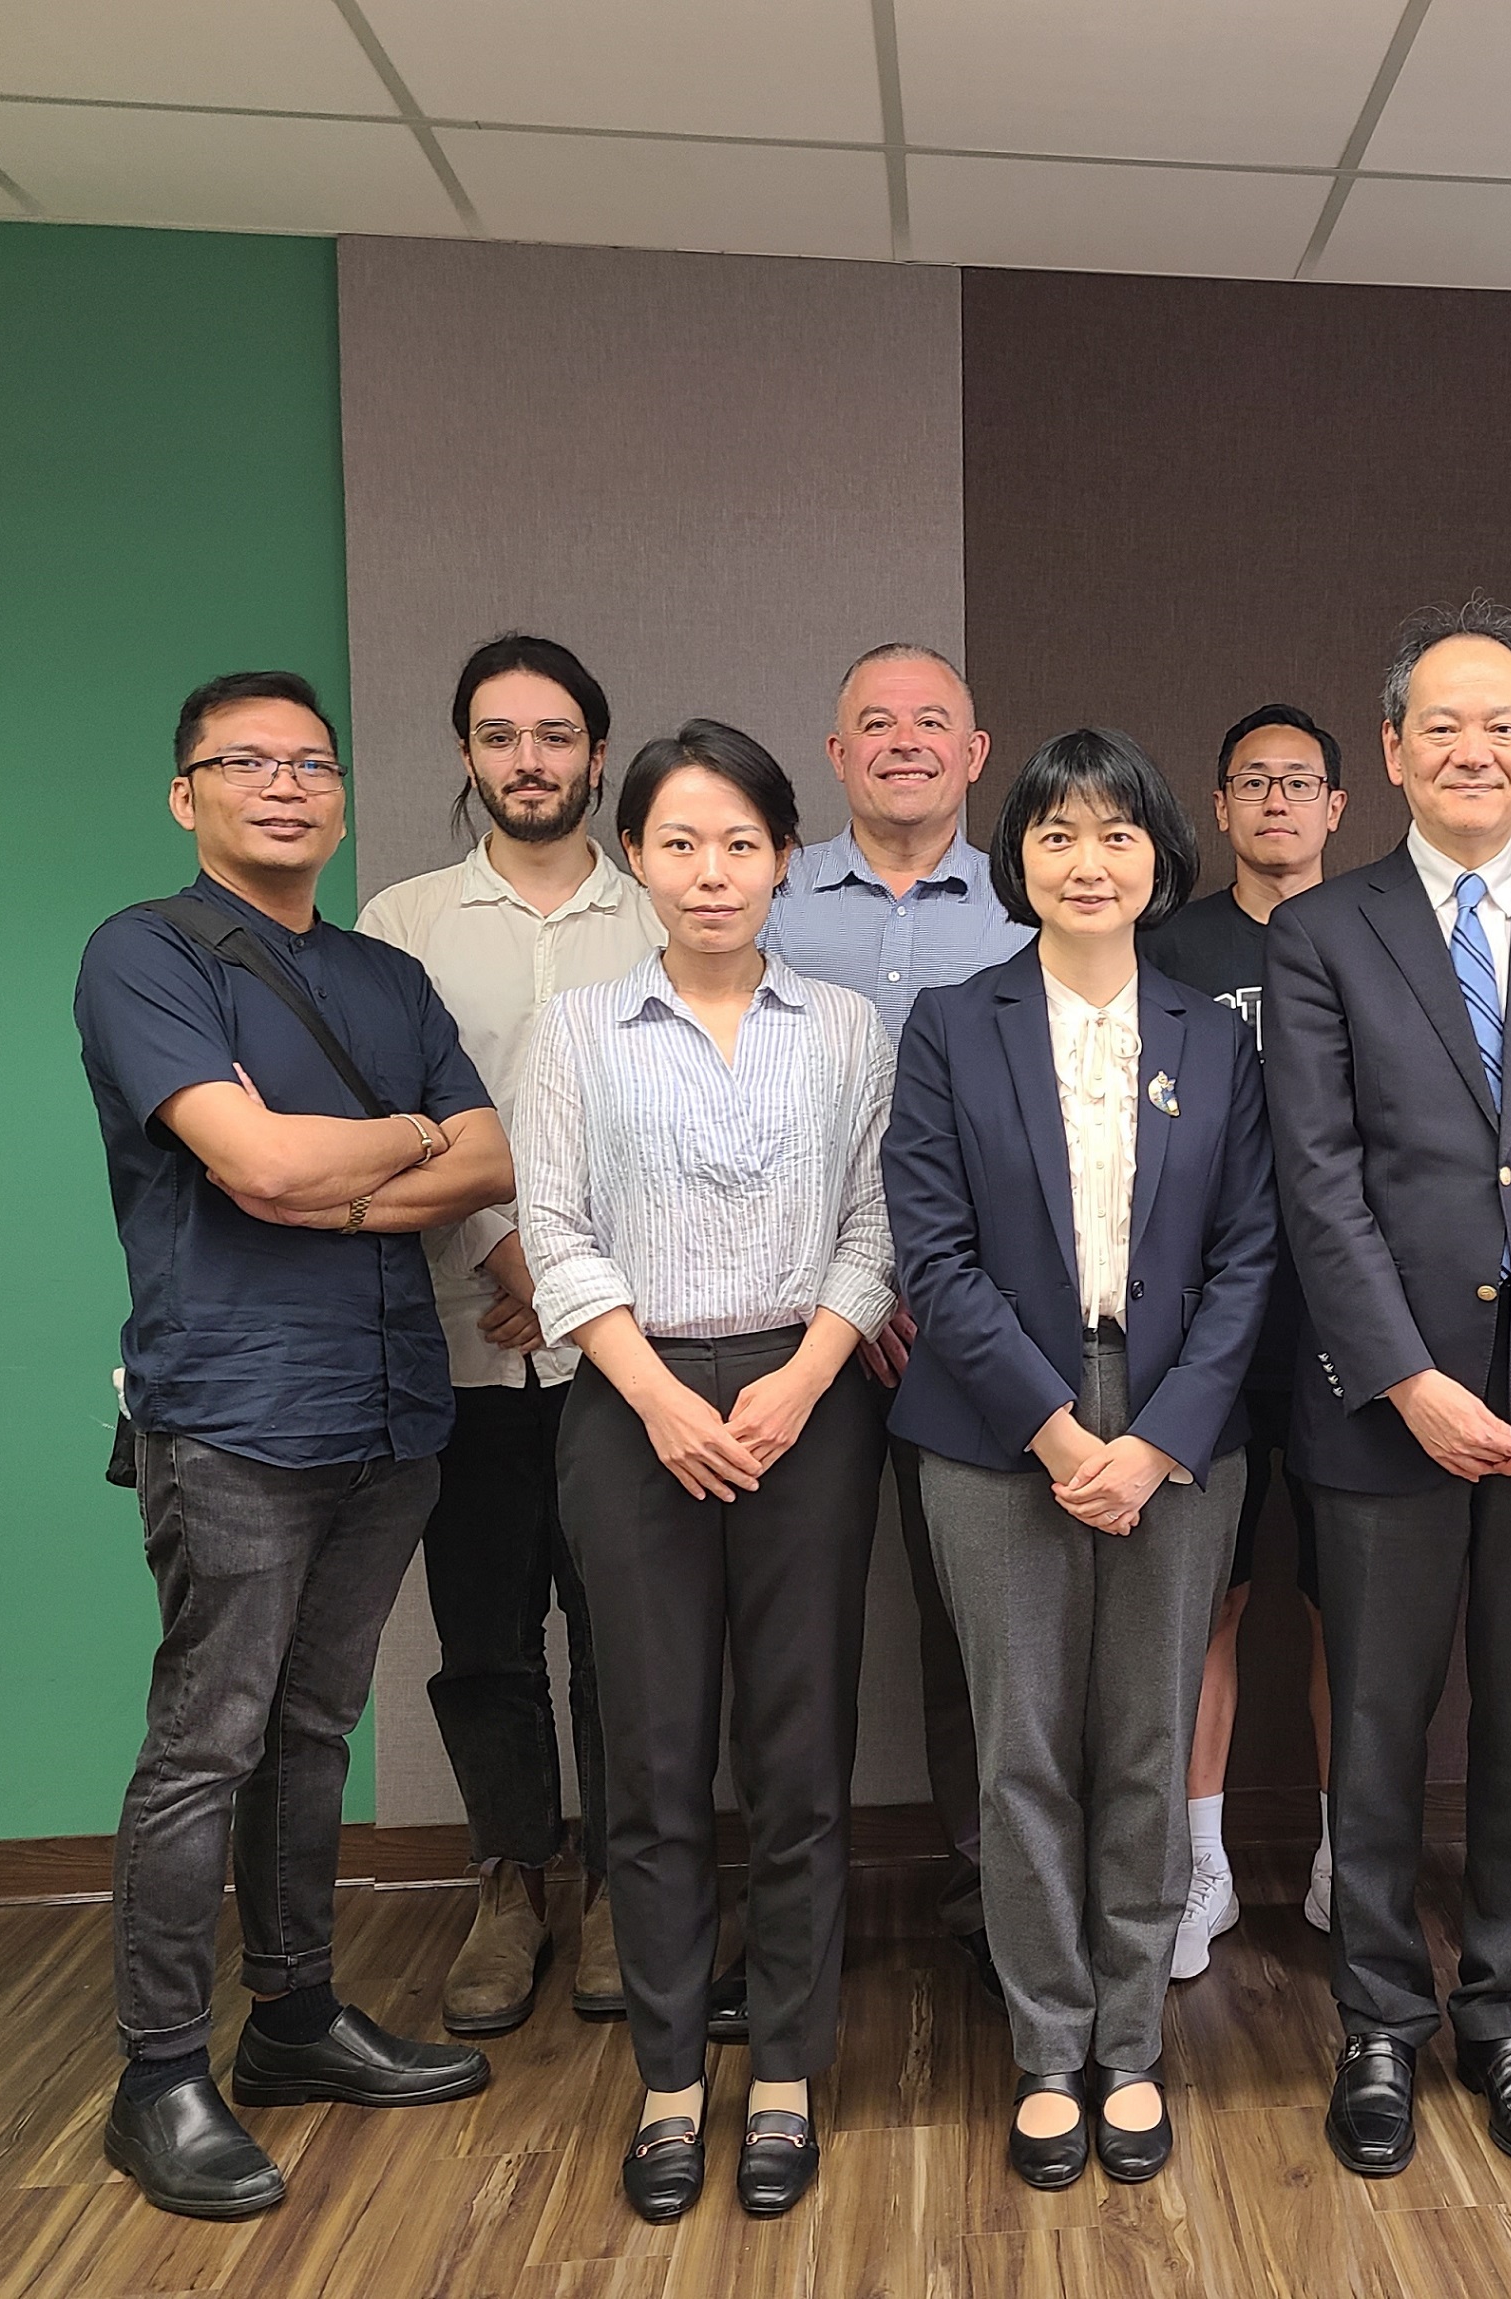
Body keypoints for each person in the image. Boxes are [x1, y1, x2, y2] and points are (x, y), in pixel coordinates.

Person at [75, 670, 513, 2219]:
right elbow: (246, 1156)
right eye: (241, 762)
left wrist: (334, 1169)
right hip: (235, 1410)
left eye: (309, 761)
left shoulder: (387, 973)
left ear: (340, 792)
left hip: (392, 1404)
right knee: (208, 1738)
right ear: (183, 793)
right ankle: (157, 2073)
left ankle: (295, 2016)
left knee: (314, 1728)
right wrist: (381, 1144)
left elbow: (491, 1153)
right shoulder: (146, 951)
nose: (282, 784)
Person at [1264, 600, 1511, 2183]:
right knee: (1371, 1727)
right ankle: (1376, 2016)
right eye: (1443, 723)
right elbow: (1318, 1181)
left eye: (1501, 723)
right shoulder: (1321, 932)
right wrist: (1408, 1374)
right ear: (1391, 750)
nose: (1474, 747)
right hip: (1388, 1409)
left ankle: (1507, 2011)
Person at [884, 729, 1279, 2190]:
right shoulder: (950, 1023)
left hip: (1181, 1419)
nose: (1088, 858)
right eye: (1056, 834)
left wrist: (1157, 1437)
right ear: (1018, 862)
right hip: (998, 1422)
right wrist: (1060, 1430)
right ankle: (1047, 2041)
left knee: (1142, 1739)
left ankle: (1132, 2039)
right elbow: (933, 1248)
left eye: (1117, 832)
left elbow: (1252, 1255)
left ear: (1159, 859)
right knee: (1022, 1747)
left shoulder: (1213, 1036)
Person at [519, 720, 898, 2224]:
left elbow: (874, 1230)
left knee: (801, 1756)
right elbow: (554, 1231)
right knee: (658, 1758)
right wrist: (664, 1398)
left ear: (784, 856)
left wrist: (802, 1378)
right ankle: (672, 2080)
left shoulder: (850, 1026)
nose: (712, 868)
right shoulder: (573, 1031)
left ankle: (788, 2070)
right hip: (633, 1403)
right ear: (635, 858)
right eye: (679, 840)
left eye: (740, 840)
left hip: (809, 1399)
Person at [357, 635, 662, 2036]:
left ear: (598, 755)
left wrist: (579, 1281)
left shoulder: (662, 906)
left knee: (621, 1632)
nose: (528, 760)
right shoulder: (400, 921)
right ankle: (509, 1881)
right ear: (467, 756)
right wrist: (507, 1253)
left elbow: (682, 1131)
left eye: (556, 735)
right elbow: (399, 1118)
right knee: (481, 1633)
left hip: (625, 1352)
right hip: (465, 1341)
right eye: (499, 735)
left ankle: (614, 1882)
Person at [761, 641, 1034, 2007]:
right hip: (795, 1327)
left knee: (974, 1631)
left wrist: (938, 1293)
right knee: (790, 1630)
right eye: (876, 721)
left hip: (969, 1328)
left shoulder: (1033, 903)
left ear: (978, 754)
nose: (906, 740)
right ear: (836, 751)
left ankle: (993, 1900)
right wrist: (845, 1291)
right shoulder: (766, 898)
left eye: (935, 722)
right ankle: (784, 1925)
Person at [1140, 702, 1351, 1975]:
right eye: (1251, 783)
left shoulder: (1379, 935)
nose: (1276, 802)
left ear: (1337, 805)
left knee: (1344, 1604)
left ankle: (1340, 1845)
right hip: (1203, 1320)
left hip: (1346, 1323)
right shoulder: (1166, 946)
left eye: (1299, 782)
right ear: (1217, 809)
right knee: (1202, 1601)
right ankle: (1199, 1859)